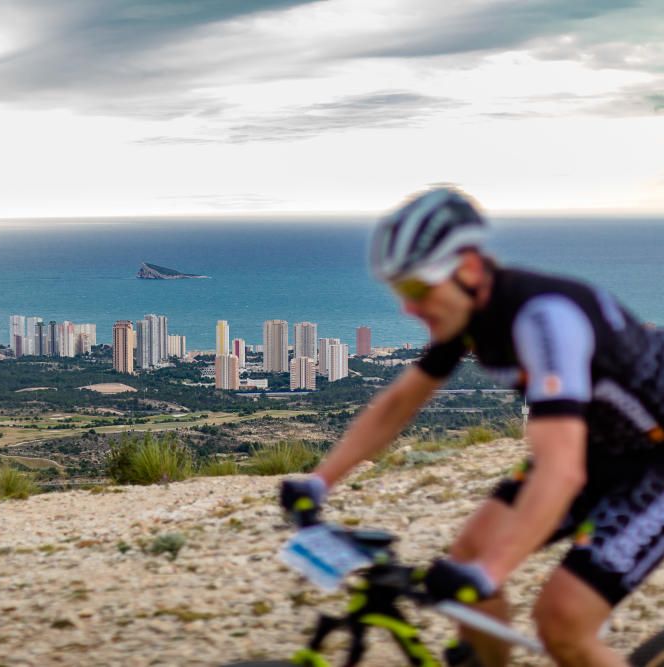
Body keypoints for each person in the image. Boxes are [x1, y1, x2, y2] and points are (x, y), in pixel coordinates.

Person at [281, 187, 664, 667]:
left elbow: (561, 470)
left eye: (418, 289)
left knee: (562, 622)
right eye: (401, 292)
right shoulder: (470, 313)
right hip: (600, 449)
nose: (408, 308)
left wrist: (490, 573)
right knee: (467, 555)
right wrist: (320, 479)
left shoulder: (545, 318)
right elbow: (398, 403)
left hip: (653, 464)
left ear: (467, 268)